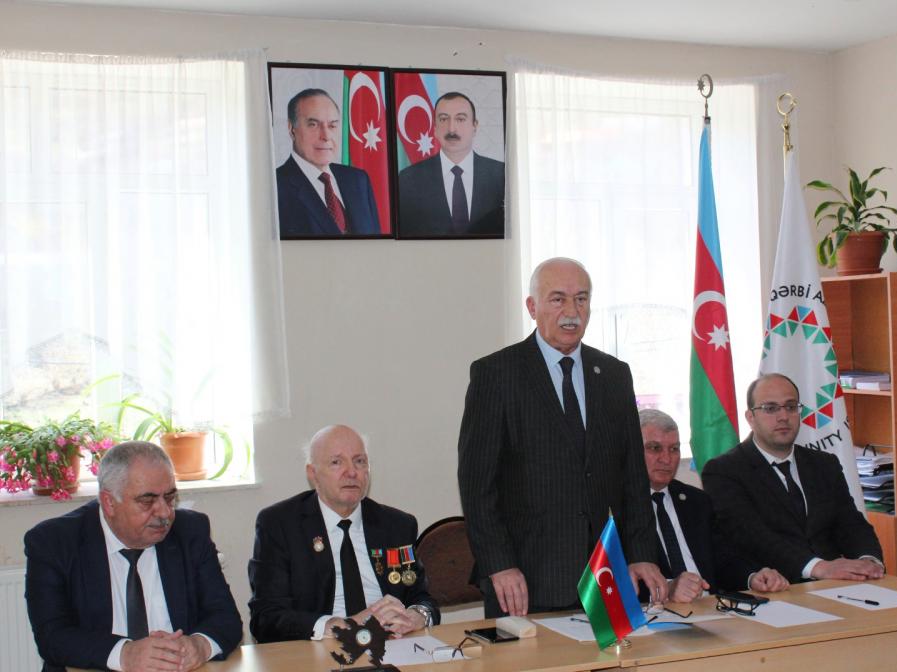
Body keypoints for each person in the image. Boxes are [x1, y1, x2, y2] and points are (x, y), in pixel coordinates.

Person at [458, 257, 668, 618]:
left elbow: (633, 478)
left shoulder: (614, 375)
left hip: (605, 577)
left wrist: (641, 554)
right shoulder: (496, 374)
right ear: (532, 307)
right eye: (558, 299)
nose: (572, 312)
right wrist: (499, 564)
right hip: (524, 580)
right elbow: (477, 486)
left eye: (581, 299)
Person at [24, 441, 242, 672]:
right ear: (109, 502)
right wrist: (124, 654)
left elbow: (226, 617)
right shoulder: (54, 542)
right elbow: (52, 636)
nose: (164, 512)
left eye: (169, 497)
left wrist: (200, 645)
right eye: (147, 501)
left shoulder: (190, 531)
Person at [248, 425, 439, 644]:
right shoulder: (280, 525)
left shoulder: (396, 525)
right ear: (313, 474)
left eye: (359, 461)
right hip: (320, 647)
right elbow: (266, 617)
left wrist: (417, 615)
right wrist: (338, 625)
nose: (352, 472)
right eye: (336, 462)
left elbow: (422, 598)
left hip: (390, 644)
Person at [701, 373, 885, 583]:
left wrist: (868, 562)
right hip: (777, 587)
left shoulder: (824, 464)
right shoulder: (724, 471)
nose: (783, 416)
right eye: (770, 408)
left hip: (835, 584)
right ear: (750, 417)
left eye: (790, 407)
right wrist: (818, 567)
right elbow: (753, 537)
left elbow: (851, 523)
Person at [638, 409, 788, 603]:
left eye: (674, 449)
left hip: (712, 607)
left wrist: (752, 577)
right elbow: (615, 579)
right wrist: (667, 588)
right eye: (655, 448)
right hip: (657, 612)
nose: (666, 459)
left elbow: (723, 559)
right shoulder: (617, 510)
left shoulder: (696, 501)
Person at [397, 91, 505, 237]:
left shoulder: (502, 174)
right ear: (435, 128)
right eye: (443, 119)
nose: (452, 129)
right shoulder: (408, 179)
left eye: (460, 119)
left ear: (474, 126)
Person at [276, 88, 380, 237]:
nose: (326, 136)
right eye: (313, 125)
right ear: (292, 129)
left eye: (332, 125)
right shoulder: (275, 187)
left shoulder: (358, 180)